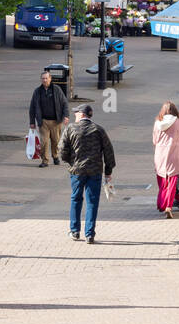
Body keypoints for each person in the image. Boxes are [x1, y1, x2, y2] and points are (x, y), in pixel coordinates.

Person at [58, 103, 115, 244]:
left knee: (76, 199)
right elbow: (109, 152)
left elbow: (61, 149)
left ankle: (75, 230)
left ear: (82, 114)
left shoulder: (70, 128)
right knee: (92, 202)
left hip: (77, 171)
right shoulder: (98, 130)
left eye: (76, 113)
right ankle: (90, 234)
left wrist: (69, 161)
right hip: (94, 171)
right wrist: (108, 172)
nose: (75, 115)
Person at [152, 101, 179, 219]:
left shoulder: (158, 123)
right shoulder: (178, 123)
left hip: (160, 156)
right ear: (175, 111)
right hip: (174, 155)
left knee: (162, 182)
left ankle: (161, 204)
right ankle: (168, 206)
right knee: (172, 182)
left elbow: (154, 141)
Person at [27, 70, 69, 168]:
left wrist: (66, 116)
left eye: (46, 78)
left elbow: (64, 103)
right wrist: (32, 122)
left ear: (50, 79)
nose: (45, 80)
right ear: (41, 80)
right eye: (43, 78)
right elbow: (32, 107)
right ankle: (45, 160)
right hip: (43, 122)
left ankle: (55, 156)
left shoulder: (56, 89)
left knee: (56, 141)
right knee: (44, 142)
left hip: (56, 121)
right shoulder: (37, 91)